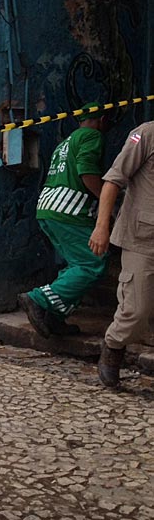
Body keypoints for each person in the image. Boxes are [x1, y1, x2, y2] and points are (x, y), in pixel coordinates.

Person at [18, 106, 109, 337]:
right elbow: (86, 171)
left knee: (75, 265)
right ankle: (39, 299)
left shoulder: (65, 142)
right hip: (69, 210)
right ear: (102, 119)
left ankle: (55, 317)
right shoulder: (92, 136)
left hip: (48, 209)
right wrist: (109, 198)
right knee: (92, 263)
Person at [90, 120, 154, 387]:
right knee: (136, 310)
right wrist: (102, 227)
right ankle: (113, 346)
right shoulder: (146, 134)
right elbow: (113, 179)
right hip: (143, 238)